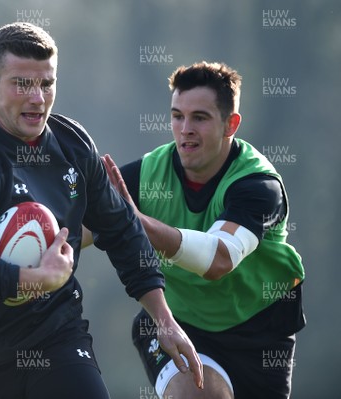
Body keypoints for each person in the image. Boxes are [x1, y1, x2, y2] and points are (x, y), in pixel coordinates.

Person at [0, 22, 203, 399]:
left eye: (47, 84)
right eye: (22, 84)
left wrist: (164, 321)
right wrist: (37, 279)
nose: (38, 98)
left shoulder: (71, 144)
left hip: (55, 335)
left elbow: (120, 227)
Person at [85, 61, 305, 398]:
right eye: (177, 116)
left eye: (199, 118)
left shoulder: (258, 186)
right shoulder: (147, 175)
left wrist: (134, 220)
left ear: (231, 124)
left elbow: (218, 259)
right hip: (177, 325)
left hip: (261, 335)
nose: (185, 128)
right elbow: (73, 231)